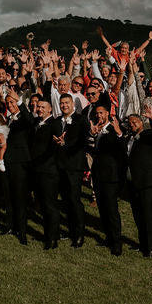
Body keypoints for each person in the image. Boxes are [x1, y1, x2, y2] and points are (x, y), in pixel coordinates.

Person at [125, 104, 152, 257]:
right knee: (138, 215)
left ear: (142, 122)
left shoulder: (148, 135)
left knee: (148, 215)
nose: (132, 124)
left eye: (135, 122)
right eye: (130, 123)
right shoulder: (130, 138)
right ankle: (142, 244)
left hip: (148, 182)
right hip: (134, 182)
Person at [54, 93, 89, 248]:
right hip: (59, 166)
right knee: (66, 201)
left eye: (67, 103)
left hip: (74, 167)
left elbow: (83, 142)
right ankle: (70, 230)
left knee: (75, 200)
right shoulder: (57, 121)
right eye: (62, 103)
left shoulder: (81, 120)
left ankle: (79, 234)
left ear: (73, 104)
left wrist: (64, 144)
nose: (64, 106)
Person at [89, 104, 125, 255]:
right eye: (97, 113)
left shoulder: (114, 129)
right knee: (102, 209)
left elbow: (123, 151)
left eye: (101, 113)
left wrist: (119, 134)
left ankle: (117, 242)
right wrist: (92, 136)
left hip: (111, 176)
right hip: (97, 175)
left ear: (107, 114)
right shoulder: (96, 130)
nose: (99, 116)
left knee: (111, 210)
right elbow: (92, 150)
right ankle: (108, 237)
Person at [1, 89, 33, 245]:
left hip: (20, 162)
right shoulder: (7, 119)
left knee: (20, 197)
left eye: (12, 102)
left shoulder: (24, 117)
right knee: (8, 196)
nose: (10, 105)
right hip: (7, 161)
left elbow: (30, 121)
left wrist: (19, 101)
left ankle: (22, 230)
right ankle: (10, 226)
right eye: (7, 103)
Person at [31, 97, 63, 250]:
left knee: (50, 205)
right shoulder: (36, 122)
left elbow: (59, 142)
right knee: (43, 205)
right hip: (37, 170)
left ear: (50, 109)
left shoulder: (55, 124)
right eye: (38, 107)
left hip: (49, 171)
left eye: (43, 107)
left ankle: (53, 238)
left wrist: (59, 143)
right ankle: (48, 234)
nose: (40, 109)